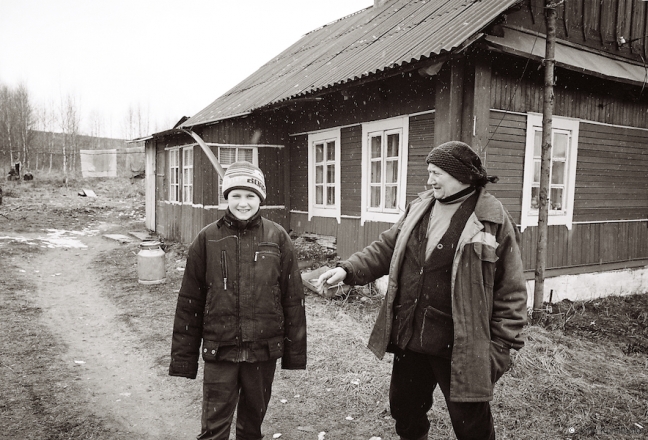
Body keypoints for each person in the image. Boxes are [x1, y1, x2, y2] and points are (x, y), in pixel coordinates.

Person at [318, 141, 527, 440]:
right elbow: (387, 247)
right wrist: (348, 269)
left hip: (461, 343)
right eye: (429, 172)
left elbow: (511, 289)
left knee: (471, 426)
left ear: (461, 176)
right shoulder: (420, 207)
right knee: (405, 409)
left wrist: (502, 346)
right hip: (411, 334)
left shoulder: (491, 219)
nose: (429, 180)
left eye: (436, 173)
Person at [169, 161, 307, 440]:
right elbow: (189, 303)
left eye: (250, 196)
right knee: (213, 427)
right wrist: (183, 359)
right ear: (226, 197)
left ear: (261, 199)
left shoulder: (277, 237)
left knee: (252, 426)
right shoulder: (207, 238)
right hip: (220, 349)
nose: (243, 203)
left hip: (263, 350)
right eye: (236, 195)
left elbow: (292, 299)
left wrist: (295, 354)